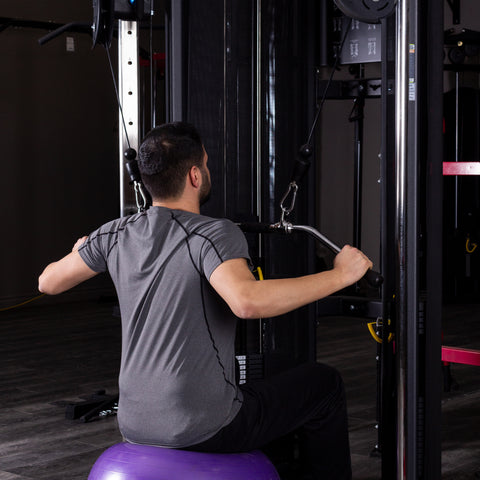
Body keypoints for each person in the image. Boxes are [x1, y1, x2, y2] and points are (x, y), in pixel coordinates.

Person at [38, 121, 372, 480]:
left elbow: (47, 282)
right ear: (195, 175)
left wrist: (81, 249)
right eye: (207, 165)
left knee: (274, 375)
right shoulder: (211, 233)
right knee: (324, 384)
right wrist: (341, 276)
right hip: (204, 428)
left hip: (134, 423)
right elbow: (247, 302)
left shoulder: (114, 233)